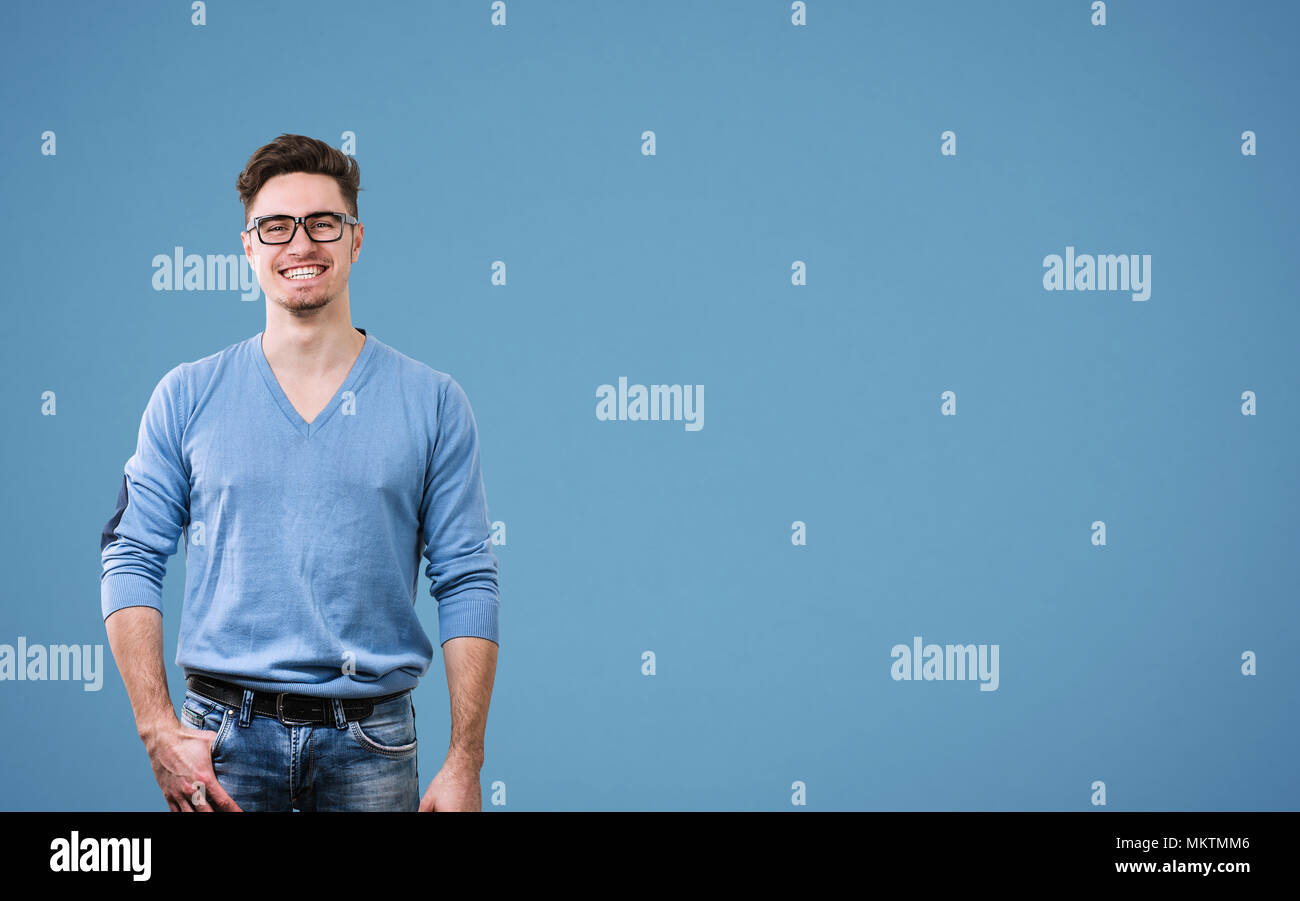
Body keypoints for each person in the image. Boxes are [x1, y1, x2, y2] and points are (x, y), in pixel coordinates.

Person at [100, 133, 500, 811]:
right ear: (248, 245)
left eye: (323, 223)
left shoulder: (433, 401)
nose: (301, 244)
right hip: (222, 744)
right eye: (275, 226)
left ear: (356, 239)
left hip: (372, 745)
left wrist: (465, 761)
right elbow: (131, 553)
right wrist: (156, 727)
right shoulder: (186, 394)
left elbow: (465, 578)